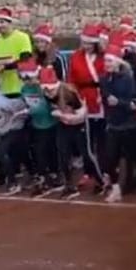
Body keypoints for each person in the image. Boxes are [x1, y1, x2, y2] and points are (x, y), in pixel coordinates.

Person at [100, 43, 136, 203]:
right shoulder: (104, 79)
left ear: (118, 61)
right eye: (105, 61)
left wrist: (119, 102)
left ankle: (134, 183)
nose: (107, 64)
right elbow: (105, 99)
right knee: (110, 158)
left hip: (129, 124)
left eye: (110, 61)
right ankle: (116, 188)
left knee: (133, 157)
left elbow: (134, 102)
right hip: (114, 124)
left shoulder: (128, 79)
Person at [67, 23, 107, 191]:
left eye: (90, 43)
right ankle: (89, 172)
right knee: (86, 142)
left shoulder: (103, 56)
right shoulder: (76, 56)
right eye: (84, 43)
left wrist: (104, 95)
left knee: (102, 141)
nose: (86, 46)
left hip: (101, 100)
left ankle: (104, 172)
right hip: (83, 100)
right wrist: (74, 101)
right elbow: (71, 80)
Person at [41, 66, 88, 200]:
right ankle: (69, 185)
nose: (48, 92)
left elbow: (82, 115)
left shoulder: (69, 93)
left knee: (86, 153)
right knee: (63, 154)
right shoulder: (47, 95)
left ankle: (100, 180)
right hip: (64, 125)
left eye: (51, 89)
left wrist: (64, 116)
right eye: (45, 90)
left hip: (79, 125)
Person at [18, 60, 60, 196]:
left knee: (51, 150)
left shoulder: (43, 88)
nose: (27, 81)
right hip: (36, 125)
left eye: (29, 77)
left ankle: (54, 174)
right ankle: (42, 175)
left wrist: (28, 111)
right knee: (38, 151)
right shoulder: (24, 89)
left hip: (50, 124)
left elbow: (43, 105)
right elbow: (25, 102)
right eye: (24, 78)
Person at [0, 74, 29, 196]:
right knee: (15, 153)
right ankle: (7, 176)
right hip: (2, 129)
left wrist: (17, 118)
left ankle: (13, 182)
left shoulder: (1, 100)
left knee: (2, 152)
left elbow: (19, 109)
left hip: (14, 128)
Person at [0, 8, 33, 97]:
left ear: (10, 22)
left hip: (22, 89)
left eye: (2, 22)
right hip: (3, 90)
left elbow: (25, 60)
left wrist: (3, 66)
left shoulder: (22, 37)